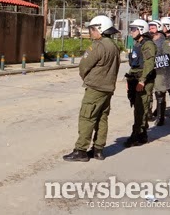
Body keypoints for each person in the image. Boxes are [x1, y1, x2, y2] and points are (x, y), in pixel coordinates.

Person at [63, 15, 120, 162]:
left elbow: (84, 66)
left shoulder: (98, 46)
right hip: (108, 88)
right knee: (102, 118)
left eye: (93, 29)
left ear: (101, 30)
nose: (91, 32)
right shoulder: (114, 46)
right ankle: (98, 150)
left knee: (87, 118)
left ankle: (80, 150)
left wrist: (86, 78)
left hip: (95, 88)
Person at [123, 19, 156, 148]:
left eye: (134, 29)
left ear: (141, 30)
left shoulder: (148, 45)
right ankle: (142, 134)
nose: (131, 32)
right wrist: (130, 80)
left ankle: (136, 135)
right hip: (135, 78)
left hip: (144, 80)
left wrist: (142, 81)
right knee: (138, 106)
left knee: (141, 108)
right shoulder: (138, 43)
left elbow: (149, 64)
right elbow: (135, 64)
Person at [148, 20, 170, 126]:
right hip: (149, 71)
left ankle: (160, 118)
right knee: (148, 93)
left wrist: (155, 61)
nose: (150, 28)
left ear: (158, 28)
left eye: (153, 27)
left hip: (161, 72)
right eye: (150, 26)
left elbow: (167, 57)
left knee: (160, 93)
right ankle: (149, 114)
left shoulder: (165, 42)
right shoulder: (149, 41)